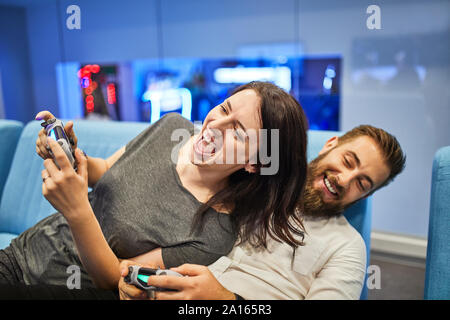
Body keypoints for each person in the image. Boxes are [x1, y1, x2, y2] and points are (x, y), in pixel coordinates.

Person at [0, 81, 309, 291]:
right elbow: (105, 169)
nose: (215, 126)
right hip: (21, 252)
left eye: (238, 133)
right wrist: (71, 153)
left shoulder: (214, 234)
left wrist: (78, 210)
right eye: (225, 109)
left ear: (255, 163)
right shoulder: (172, 126)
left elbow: (116, 278)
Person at [118, 124, 406, 300]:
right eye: (347, 161)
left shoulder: (347, 248)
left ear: (366, 195)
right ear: (331, 145)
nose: (344, 179)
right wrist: (145, 285)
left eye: (361, 183)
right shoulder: (257, 185)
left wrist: (227, 301)